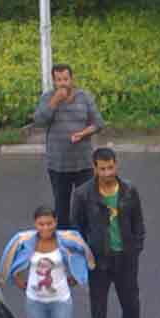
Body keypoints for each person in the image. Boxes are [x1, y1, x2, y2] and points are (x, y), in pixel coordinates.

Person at [71, 147, 146, 318]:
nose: (106, 173)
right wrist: (85, 255)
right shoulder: (84, 194)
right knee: (99, 307)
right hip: (98, 260)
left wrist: (136, 247)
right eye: (102, 168)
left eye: (110, 167)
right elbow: (78, 227)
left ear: (117, 165)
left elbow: (138, 222)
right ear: (94, 168)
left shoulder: (129, 191)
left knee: (131, 301)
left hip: (126, 257)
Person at [0, 205, 95, 318]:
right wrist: (15, 277)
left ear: (56, 222)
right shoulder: (24, 240)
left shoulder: (67, 239)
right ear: (35, 224)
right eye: (41, 224)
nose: (45, 227)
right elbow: (9, 256)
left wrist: (77, 276)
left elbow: (83, 251)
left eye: (49, 223)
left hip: (61, 300)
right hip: (34, 301)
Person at [32, 64, 104, 226]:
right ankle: (64, 241)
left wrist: (83, 133)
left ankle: (84, 242)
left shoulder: (85, 97)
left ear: (72, 79)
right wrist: (55, 101)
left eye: (65, 79)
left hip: (83, 163)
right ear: (54, 81)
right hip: (58, 164)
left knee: (86, 206)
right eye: (58, 80)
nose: (62, 83)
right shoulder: (48, 97)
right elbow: (39, 121)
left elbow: (98, 123)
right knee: (61, 207)